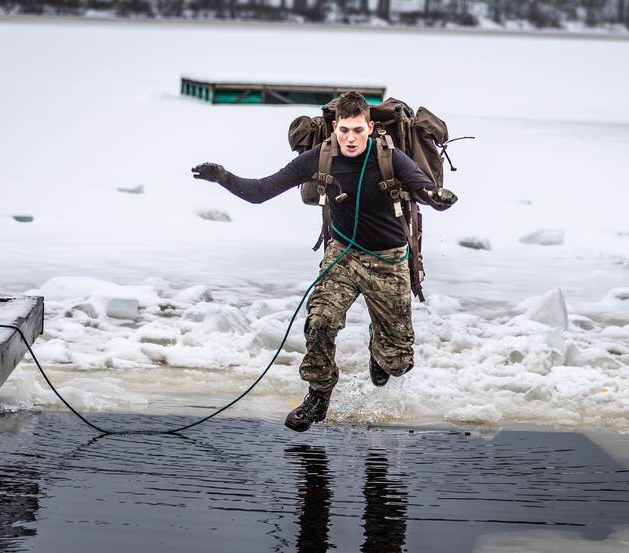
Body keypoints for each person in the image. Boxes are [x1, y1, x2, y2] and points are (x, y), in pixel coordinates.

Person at [191, 91, 458, 432]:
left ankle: (380, 351)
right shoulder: (322, 156)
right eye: (344, 129)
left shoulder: (391, 157)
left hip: (389, 261)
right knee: (320, 319)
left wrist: (436, 198)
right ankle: (318, 394)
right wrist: (224, 177)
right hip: (343, 255)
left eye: (358, 130)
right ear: (334, 127)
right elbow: (260, 191)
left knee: (398, 364)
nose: (350, 137)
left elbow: (422, 188)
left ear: (370, 128)